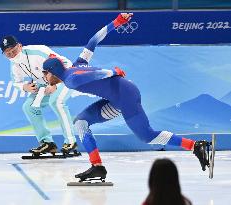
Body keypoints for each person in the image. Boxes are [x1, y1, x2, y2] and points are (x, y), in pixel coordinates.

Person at [42, 13, 210, 180]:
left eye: (45, 73)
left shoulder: (71, 79)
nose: (44, 77)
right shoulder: (78, 65)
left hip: (126, 96)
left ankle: (195, 146)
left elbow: (95, 75)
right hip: (117, 98)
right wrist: (116, 22)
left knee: (147, 136)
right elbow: (93, 41)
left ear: (53, 71)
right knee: (80, 122)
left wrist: (112, 72)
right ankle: (97, 166)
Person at [0, 36, 78, 155]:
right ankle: (47, 143)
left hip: (66, 76)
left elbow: (60, 64)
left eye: (13, 50)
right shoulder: (14, 64)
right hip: (45, 83)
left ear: (20, 46)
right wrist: (24, 87)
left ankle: (71, 141)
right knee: (29, 107)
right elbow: (16, 82)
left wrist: (55, 83)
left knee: (56, 102)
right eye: (8, 53)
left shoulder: (38, 51)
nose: (12, 55)